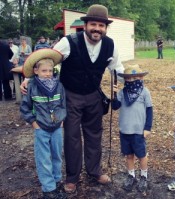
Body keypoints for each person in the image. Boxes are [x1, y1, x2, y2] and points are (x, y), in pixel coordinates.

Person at [20, 4, 124, 195]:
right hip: (70, 96)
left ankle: (94, 171)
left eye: (101, 26)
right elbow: (46, 60)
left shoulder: (110, 45)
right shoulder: (69, 42)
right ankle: (72, 177)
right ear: (86, 25)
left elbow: (118, 69)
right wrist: (28, 78)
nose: (97, 29)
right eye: (93, 24)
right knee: (72, 137)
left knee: (94, 134)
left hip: (94, 95)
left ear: (105, 28)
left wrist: (127, 82)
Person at [20, 49, 67, 199]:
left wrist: (61, 120)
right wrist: (34, 123)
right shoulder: (32, 86)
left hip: (57, 127)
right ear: (36, 71)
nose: (47, 74)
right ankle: (49, 189)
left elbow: (63, 104)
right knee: (43, 157)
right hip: (41, 128)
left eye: (50, 70)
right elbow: (25, 107)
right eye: (43, 70)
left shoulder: (58, 86)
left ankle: (57, 180)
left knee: (57, 155)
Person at [111, 64, 153, 193]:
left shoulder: (145, 92)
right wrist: (114, 95)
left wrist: (147, 128)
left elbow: (149, 110)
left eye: (134, 78)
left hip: (139, 131)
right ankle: (131, 175)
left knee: (141, 155)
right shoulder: (122, 92)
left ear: (140, 77)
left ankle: (144, 176)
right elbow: (115, 106)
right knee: (129, 155)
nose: (131, 81)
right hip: (125, 129)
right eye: (128, 78)